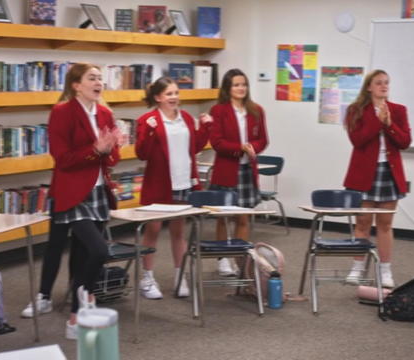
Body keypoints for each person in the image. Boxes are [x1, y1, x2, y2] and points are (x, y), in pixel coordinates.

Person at [28, 63, 121, 340]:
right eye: (92, 78)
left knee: (84, 257)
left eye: (100, 78)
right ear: (76, 85)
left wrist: (113, 148)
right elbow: (63, 159)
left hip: (98, 192)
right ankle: (79, 300)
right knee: (99, 250)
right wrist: (95, 150)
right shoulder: (62, 112)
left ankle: (76, 316)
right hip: (72, 194)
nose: (98, 83)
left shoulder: (105, 113)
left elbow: (113, 158)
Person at [135, 77, 212, 299]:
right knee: (154, 229)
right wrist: (149, 133)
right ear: (158, 97)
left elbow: (196, 146)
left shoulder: (186, 118)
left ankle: (180, 276)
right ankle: (147, 278)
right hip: (159, 183)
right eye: (169, 94)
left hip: (184, 181)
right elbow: (142, 153)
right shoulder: (148, 120)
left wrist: (206, 127)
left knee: (179, 232)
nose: (174, 97)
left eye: (176, 93)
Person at [343, 69, 411, 288]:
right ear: (369, 87)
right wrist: (377, 121)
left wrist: (389, 123)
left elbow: (405, 142)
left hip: (389, 173)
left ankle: (385, 271)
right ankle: (357, 267)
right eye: (379, 83)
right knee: (362, 223)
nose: (384, 86)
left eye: (386, 83)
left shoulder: (399, 110)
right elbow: (358, 140)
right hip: (364, 172)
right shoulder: (356, 110)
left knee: (385, 224)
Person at [208, 69, 268, 276]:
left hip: (247, 171)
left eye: (244, 84)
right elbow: (217, 142)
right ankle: (223, 258)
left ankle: (240, 258)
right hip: (226, 171)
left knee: (243, 218)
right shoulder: (218, 110)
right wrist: (239, 148)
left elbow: (263, 139)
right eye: (236, 85)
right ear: (227, 88)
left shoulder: (256, 110)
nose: (241, 88)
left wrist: (253, 147)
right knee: (224, 217)